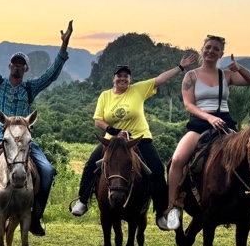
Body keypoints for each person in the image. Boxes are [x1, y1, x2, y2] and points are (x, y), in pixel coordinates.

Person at [0, 5, 73, 237]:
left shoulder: (30, 89)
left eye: (21, 64)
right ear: (9, 66)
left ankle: (35, 216)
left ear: (25, 68)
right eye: (14, 63)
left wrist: (63, 46)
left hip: (22, 144)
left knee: (48, 170)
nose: (17, 66)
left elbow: (51, 74)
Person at [70, 53, 198, 230]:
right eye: (119, 76)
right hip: (112, 142)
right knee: (91, 165)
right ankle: (83, 200)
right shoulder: (105, 96)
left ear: (129, 79)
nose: (122, 78)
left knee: (156, 169)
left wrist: (180, 67)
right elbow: (98, 120)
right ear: (113, 78)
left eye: (126, 76)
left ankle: (161, 212)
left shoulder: (137, 89)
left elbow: (160, 79)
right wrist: (114, 131)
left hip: (139, 139)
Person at [164, 35, 250, 232]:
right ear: (202, 50)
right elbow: (189, 104)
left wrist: (238, 67)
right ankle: (173, 207)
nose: (211, 51)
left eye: (216, 49)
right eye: (208, 47)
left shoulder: (226, 75)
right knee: (178, 159)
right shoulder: (191, 76)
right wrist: (208, 118)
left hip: (225, 124)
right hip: (199, 124)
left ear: (221, 53)